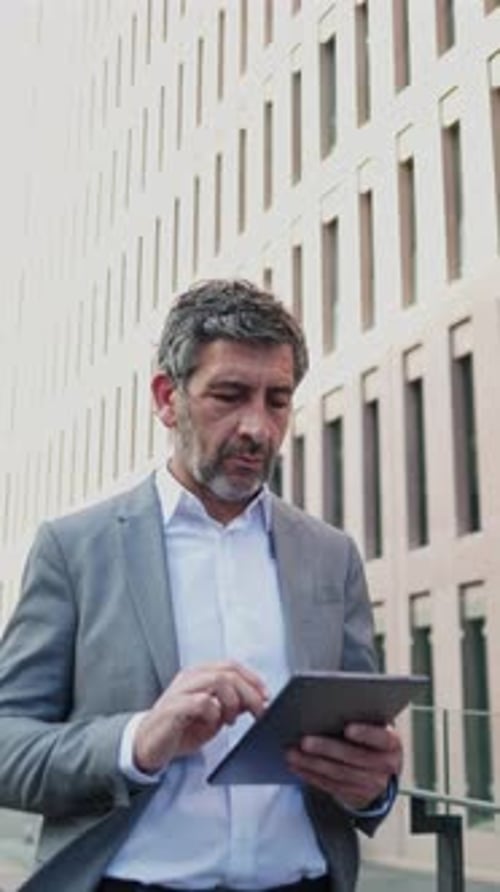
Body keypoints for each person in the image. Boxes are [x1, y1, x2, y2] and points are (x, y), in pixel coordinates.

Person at [0, 279, 402, 892]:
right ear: (167, 398)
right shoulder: (75, 549)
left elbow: (360, 748)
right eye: (230, 394)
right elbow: (7, 745)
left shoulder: (331, 556)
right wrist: (139, 741)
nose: (258, 428)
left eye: (277, 400)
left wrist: (373, 787)